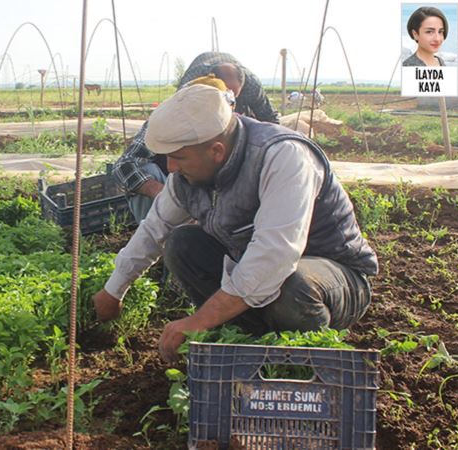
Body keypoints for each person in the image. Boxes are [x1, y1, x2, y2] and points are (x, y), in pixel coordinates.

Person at [92, 85, 378, 362]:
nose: (170, 168)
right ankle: (246, 340)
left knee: (291, 284)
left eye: (178, 157)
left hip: (336, 279)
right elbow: (155, 228)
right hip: (262, 273)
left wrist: (197, 321)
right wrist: (113, 290)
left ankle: (304, 363)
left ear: (216, 151)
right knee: (181, 244)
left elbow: (274, 257)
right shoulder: (190, 175)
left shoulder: (283, 156)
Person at [112, 52, 280, 223]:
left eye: (231, 99)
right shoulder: (175, 116)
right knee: (149, 174)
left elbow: (271, 124)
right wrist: (164, 196)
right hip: (177, 191)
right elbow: (124, 165)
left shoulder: (246, 119)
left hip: (222, 204)